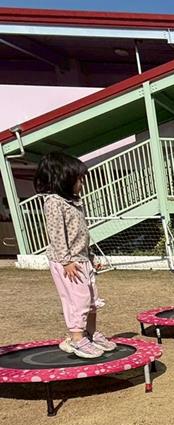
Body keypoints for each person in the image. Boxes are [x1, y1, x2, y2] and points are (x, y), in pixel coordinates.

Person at [39, 152, 116, 360]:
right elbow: (57, 234)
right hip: (68, 262)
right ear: (63, 178)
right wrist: (66, 261)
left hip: (81, 259)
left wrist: (90, 257)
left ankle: (90, 333)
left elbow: (82, 234)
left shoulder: (74, 202)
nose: (82, 184)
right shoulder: (54, 202)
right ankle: (75, 339)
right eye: (79, 179)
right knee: (78, 300)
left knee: (92, 300)